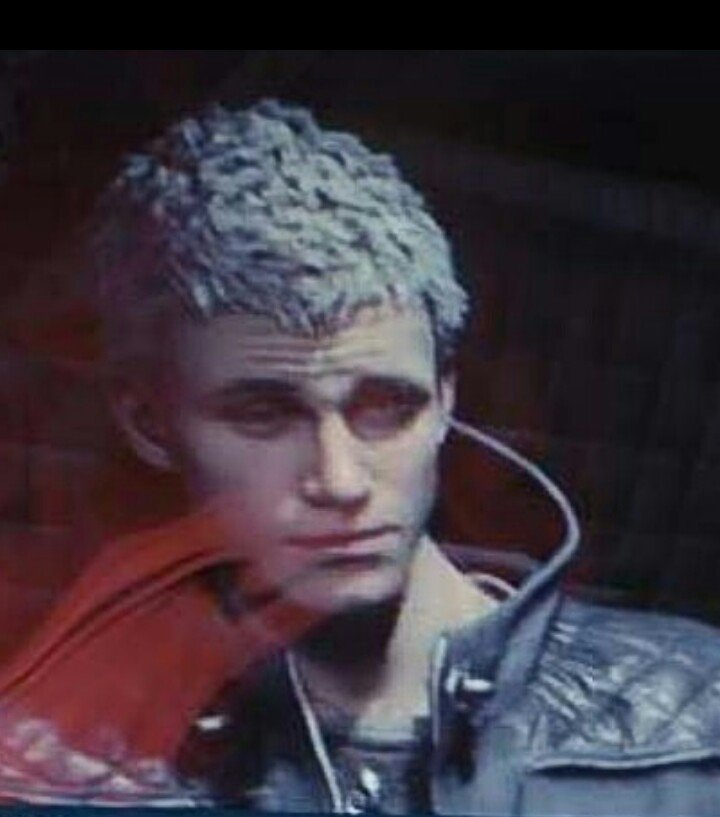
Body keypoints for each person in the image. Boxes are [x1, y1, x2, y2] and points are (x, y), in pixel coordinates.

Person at [1, 99, 720, 814]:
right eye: (264, 415)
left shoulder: (695, 726)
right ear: (149, 423)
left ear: (445, 398)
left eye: (386, 407)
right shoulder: (59, 769)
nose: (340, 480)